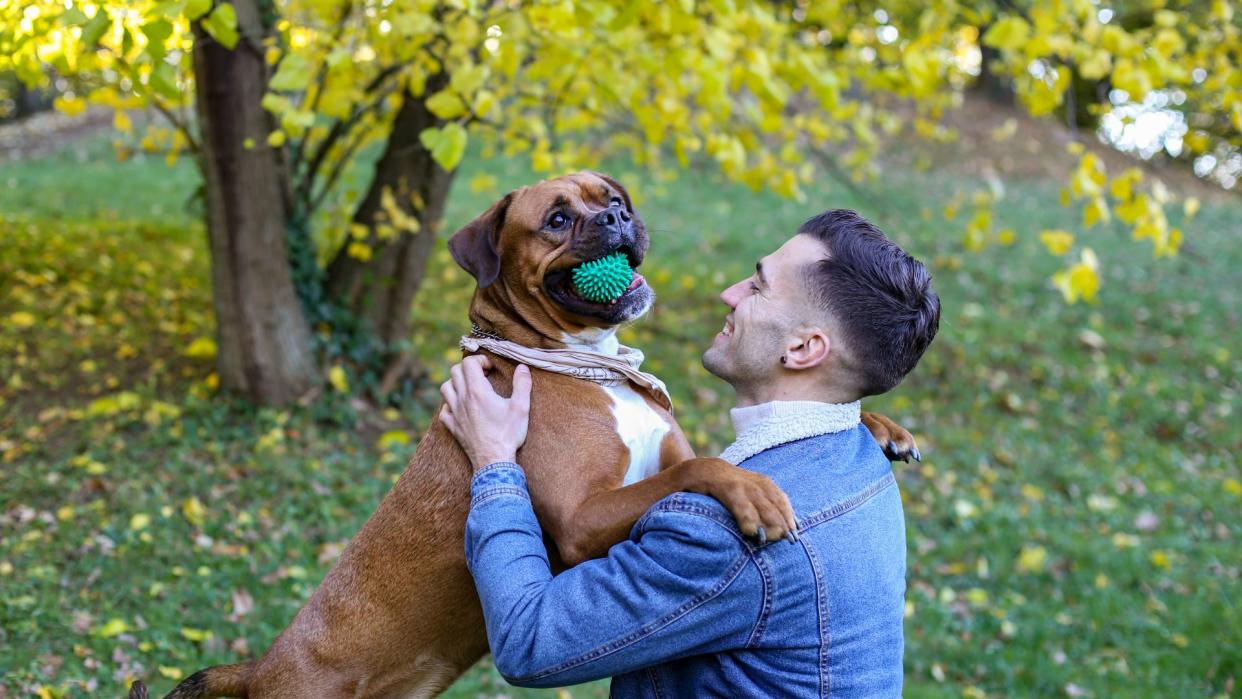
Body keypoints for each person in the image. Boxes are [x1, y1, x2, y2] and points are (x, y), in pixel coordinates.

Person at [439, 209, 940, 697]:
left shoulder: (718, 533)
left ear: (804, 350)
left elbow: (529, 643)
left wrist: (495, 462)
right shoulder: (863, 456)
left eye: (757, 287)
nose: (729, 293)